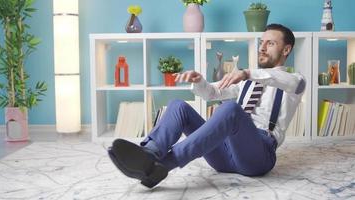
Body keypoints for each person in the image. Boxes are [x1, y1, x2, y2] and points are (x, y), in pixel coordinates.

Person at [108, 24, 306, 188]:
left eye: (270, 43)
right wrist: (199, 81)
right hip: (223, 156)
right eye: (261, 43)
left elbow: (281, 79)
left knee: (230, 109)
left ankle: (163, 166)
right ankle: (150, 153)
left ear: (286, 49)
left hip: (257, 157)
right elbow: (213, 93)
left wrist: (247, 72)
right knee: (178, 106)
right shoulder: (246, 82)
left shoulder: (296, 82)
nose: (262, 48)